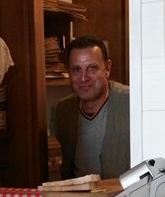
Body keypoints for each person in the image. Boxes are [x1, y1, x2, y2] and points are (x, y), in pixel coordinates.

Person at [53, 35, 130, 181]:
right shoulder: (63, 111)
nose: (83, 78)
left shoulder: (131, 103)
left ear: (107, 69)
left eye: (92, 68)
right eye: (76, 69)